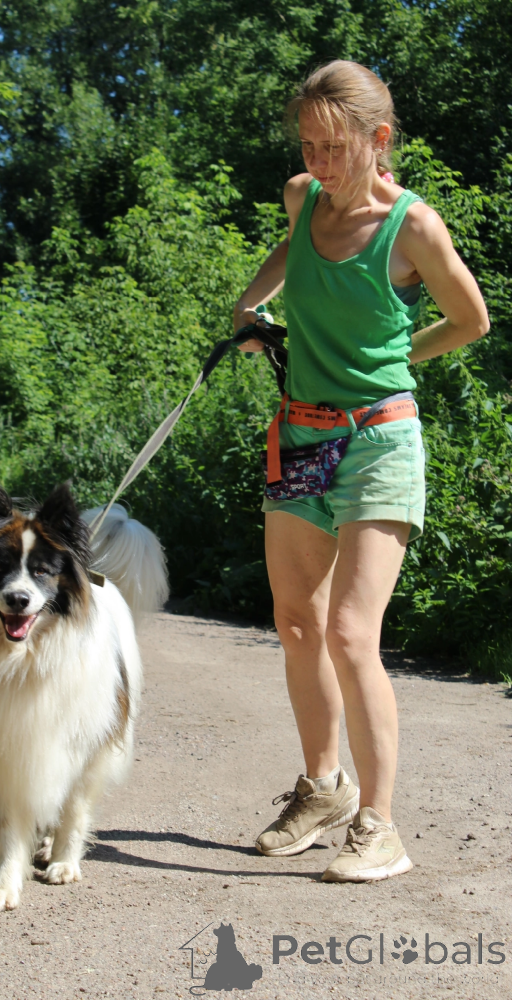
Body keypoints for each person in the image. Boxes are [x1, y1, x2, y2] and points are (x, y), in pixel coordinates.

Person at [233, 60, 489, 882]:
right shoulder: (302, 198)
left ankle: (380, 828)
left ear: (378, 140)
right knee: (296, 622)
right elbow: (289, 252)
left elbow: (472, 320)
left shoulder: (412, 228)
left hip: (380, 441)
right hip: (301, 436)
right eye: (308, 145)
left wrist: (398, 360)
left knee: (349, 632)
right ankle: (324, 789)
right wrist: (251, 306)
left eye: (334, 146)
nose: (318, 161)